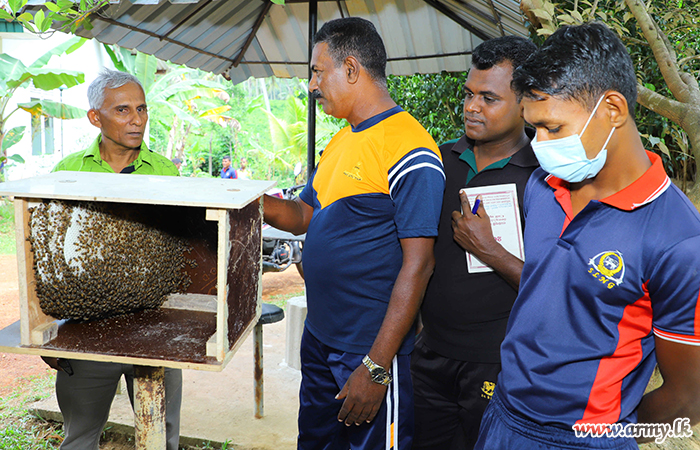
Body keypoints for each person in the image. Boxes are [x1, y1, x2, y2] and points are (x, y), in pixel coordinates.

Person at [474, 22, 700, 450]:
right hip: (502, 416)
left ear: (613, 109)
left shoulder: (680, 241)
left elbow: (689, 400)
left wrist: (607, 436)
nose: (538, 145)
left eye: (553, 129)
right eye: (533, 128)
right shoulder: (543, 187)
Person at [263, 17, 445, 450]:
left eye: (316, 71)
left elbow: (419, 265)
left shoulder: (410, 148)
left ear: (350, 69)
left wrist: (377, 366)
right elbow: (305, 214)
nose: (311, 84)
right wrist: (246, 201)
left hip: (367, 350)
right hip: (322, 337)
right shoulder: (342, 142)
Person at [411, 35, 538, 450]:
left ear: (525, 104)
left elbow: (554, 288)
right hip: (428, 353)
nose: (471, 107)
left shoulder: (546, 178)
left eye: (488, 98)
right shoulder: (439, 160)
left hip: (496, 361)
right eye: (468, 94)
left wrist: (490, 251)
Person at [46, 68, 182, 450]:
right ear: (95, 117)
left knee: (163, 436)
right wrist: (47, 332)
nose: (136, 120)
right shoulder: (68, 172)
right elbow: (51, 261)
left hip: (155, 331)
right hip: (86, 331)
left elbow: (181, 256)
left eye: (141, 109)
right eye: (123, 110)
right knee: (80, 438)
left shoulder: (167, 173)